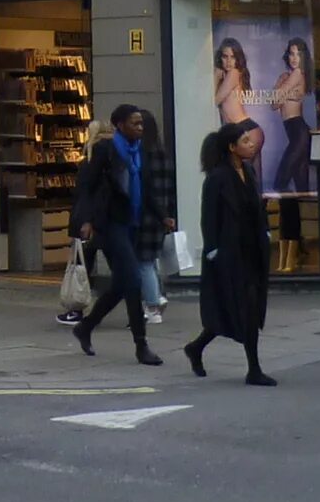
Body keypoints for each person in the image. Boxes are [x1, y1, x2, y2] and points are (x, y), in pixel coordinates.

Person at [72, 104, 168, 365]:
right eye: (135, 123)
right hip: (110, 224)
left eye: (141, 123)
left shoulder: (141, 153)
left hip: (131, 223)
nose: (140, 128)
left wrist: (162, 216)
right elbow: (88, 186)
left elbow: (146, 190)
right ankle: (141, 345)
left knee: (122, 284)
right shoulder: (106, 150)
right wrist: (87, 220)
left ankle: (85, 327)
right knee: (134, 280)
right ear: (119, 125)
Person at [185, 119, 274, 384]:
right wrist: (212, 250)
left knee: (243, 308)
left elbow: (255, 206)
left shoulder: (249, 170)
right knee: (239, 307)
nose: (251, 144)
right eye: (245, 141)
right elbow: (208, 217)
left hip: (252, 249)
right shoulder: (217, 178)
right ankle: (254, 369)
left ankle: (197, 347)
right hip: (229, 252)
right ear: (232, 147)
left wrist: (265, 229)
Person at [272, 38, 315, 193]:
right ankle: (300, 217)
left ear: (303, 57)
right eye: (291, 54)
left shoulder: (297, 73)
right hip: (297, 133)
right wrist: (284, 90)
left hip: (299, 132)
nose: (294, 58)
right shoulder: (287, 76)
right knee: (302, 187)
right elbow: (273, 104)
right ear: (287, 56)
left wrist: (282, 90)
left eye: (298, 54)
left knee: (280, 183)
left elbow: (276, 99)